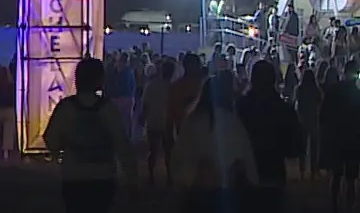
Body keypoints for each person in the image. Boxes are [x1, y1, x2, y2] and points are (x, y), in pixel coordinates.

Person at [42, 56, 136, 213]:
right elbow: (122, 144)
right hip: (103, 176)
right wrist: (132, 178)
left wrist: (62, 154)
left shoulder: (66, 107)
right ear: (99, 80)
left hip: (74, 177)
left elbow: (51, 139)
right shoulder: (108, 108)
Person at [172, 75, 259, 213]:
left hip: (199, 189)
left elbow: (180, 156)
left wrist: (187, 180)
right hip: (229, 190)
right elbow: (246, 156)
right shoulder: (232, 121)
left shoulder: (192, 121)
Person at [236, 59, 303, 213]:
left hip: (245, 176)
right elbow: (295, 147)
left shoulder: (240, 107)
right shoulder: (283, 110)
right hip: (273, 175)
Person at [320, 68, 360, 212]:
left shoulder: (333, 94)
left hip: (337, 138)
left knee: (336, 174)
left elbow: (323, 115)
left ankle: (334, 205)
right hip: (353, 139)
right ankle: (349, 207)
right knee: (351, 178)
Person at [142, 56, 177, 185]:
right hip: (167, 123)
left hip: (153, 121)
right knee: (168, 152)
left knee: (153, 150)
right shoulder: (173, 87)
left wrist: (144, 118)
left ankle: (151, 176)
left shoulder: (151, 85)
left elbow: (145, 104)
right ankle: (169, 177)